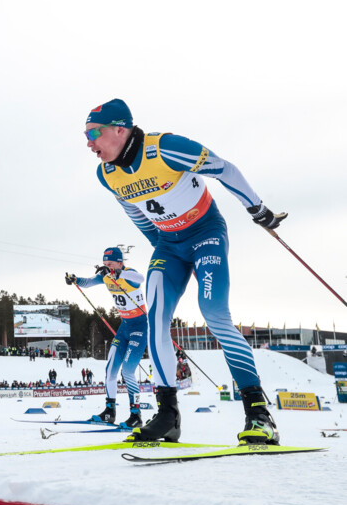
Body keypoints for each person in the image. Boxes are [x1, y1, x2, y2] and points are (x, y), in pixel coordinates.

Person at [85, 99, 283, 445]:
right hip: (169, 246)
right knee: (157, 321)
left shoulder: (165, 149)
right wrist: (159, 242)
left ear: (119, 129)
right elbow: (134, 211)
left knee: (214, 314)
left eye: (93, 133)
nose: (89, 143)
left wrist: (257, 208)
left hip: (205, 234)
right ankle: (168, 416)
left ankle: (258, 414)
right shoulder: (107, 174)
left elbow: (225, 169)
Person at [65, 246, 146, 429]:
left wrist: (119, 273)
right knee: (110, 370)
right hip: (124, 328)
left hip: (140, 328)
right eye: (104, 264)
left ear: (120, 262)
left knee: (128, 371)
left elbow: (140, 278)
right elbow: (88, 282)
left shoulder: (128, 274)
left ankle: (136, 414)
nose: (107, 267)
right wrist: (75, 280)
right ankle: (110, 411)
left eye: (110, 264)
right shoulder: (107, 276)